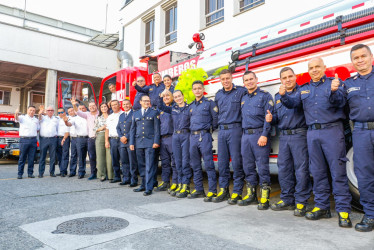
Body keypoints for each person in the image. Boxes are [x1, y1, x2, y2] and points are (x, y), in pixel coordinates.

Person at [281, 57, 352, 227]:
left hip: (332, 131)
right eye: (311, 67)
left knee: (337, 172)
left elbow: (341, 103)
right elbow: (292, 103)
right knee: (318, 172)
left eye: (317, 67)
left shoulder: (334, 83)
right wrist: (283, 96)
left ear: (324, 68)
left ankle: (343, 210)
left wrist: (335, 91)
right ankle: (322, 206)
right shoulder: (304, 89)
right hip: (312, 133)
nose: (314, 70)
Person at [265, 67, 311, 216]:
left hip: (299, 135)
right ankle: (287, 199)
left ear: (295, 77)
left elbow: (293, 104)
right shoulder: (278, 96)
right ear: (281, 80)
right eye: (284, 78)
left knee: (301, 170)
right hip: (284, 136)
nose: (287, 79)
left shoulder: (302, 93)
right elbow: (279, 117)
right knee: (284, 169)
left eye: (290, 76)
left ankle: (301, 202)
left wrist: (284, 96)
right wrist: (272, 119)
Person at [344, 44, 374, 232]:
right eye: (356, 58)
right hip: (361, 132)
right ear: (352, 62)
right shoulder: (348, 84)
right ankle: (370, 214)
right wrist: (332, 91)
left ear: (371, 57)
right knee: (364, 176)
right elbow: (337, 105)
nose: (360, 60)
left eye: (363, 56)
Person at [238, 71, 274, 210]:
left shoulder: (265, 96)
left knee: (262, 167)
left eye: (251, 79)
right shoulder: (243, 98)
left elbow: (269, 116)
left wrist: (265, 134)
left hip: (259, 134)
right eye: (246, 80)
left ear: (256, 79)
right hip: (245, 136)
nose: (249, 82)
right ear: (244, 83)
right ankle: (251, 195)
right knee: (248, 167)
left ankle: (264, 197)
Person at [213, 69, 247, 204]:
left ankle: (237, 192)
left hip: (235, 130)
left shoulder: (241, 91)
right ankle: (224, 190)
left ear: (232, 78)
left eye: (227, 78)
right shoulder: (218, 95)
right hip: (222, 131)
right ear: (220, 80)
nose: (225, 81)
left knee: (237, 163)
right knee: (222, 163)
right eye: (223, 79)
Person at [187, 80, 218, 202]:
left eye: (199, 88)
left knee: (209, 165)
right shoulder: (191, 106)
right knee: (195, 165)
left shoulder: (209, 103)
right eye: (195, 89)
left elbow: (215, 120)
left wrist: (207, 131)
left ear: (203, 89)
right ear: (193, 90)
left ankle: (212, 191)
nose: (197, 90)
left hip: (204, 136)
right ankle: (199, 189)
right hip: (193, 137)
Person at [158, 90, 192, 198]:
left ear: (183, 96)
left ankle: (186, 186)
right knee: (177, 162)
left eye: (179, 96)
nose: (178, 98)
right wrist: (161, 95)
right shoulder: (173, 109)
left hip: (186, 135)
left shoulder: (189, 108)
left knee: (185, 161)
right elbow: (160, 106)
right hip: (175, 136)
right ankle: (180, 184)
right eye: (176, 97)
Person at [130, 95, 160, 196]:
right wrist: (131, 143)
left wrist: (156, 141)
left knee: (149, 165)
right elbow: (133, 129)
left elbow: (157, 129)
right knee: (141, 165)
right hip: (139, 142)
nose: (147, 102)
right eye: (145, 101)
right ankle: (143, 185)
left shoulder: (154, 112)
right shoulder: (136, 113)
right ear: (140, 102)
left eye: (148, 101)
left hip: (150, 142)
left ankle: (149, 187)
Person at [71, 97, 99, 180]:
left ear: (96, 106)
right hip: (91, 138)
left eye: (93, 105)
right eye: (90, 106)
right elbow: (78, 112)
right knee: (92, 156)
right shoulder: (87, 115)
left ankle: (102, 172)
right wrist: (74, 105)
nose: (92, 107)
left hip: (100, 138)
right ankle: (93, 173)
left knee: (101, 156)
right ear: (88, 107)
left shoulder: (100, 114)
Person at [155, 90, 176, 192]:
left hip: (172, 137)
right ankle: (165, 182)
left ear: (172, 97)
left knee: (174, 162)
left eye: (168, 95)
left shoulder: (174, 107)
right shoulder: (160, 110)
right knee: (165, 162)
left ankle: (175, 182)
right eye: (164, 96)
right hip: (162, 139)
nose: (166, 97)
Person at [116, 100, 138, 187]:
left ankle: (133, 179)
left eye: (127, 104)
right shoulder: (121, 116)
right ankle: (126, 179)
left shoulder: (134, 114)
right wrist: (121, 136)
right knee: (124, 161)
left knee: (132, 162)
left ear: (131, 105)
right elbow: (118, 128)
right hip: (122, 142)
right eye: (124, 104)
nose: (125, 106)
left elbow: (134, 128)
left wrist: (126, 137)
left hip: (131, 141)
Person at [64, 105, 89, 179]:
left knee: (91, 156)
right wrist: (65, 121)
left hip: (89, 138)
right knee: (80, 156)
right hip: (79, 138)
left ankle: (94, 172)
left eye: (83, 108)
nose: (81, 110)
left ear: (85, 109)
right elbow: (69, 124)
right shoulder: (75, 118)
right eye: (79, 109)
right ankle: (80, 172)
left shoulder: (88, 116)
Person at [15, 106, 39, 179]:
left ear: (35, 112)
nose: (32, 111)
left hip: (33, 140)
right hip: (24, 140)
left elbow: (38, 129)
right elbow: (16, 119)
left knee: (32, 158)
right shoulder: (22, 117)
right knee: (22, 158)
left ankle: (30, 173)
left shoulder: (36, 120)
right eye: (30, 110)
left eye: (33, 110)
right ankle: (20, 174)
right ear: (27, 110)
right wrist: (16, 113)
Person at [93, 103, 114, 181]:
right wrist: (102, 128)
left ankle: (111, 175)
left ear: (108, 107)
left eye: (105, 106)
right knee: (100, 156)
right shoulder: (98, 118)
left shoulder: (112, 116)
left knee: (110, 157)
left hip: (110, 136)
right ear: (100, 109)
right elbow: (94, 129)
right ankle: (102, 175)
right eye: (102, 107)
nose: (104, 108)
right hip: (100, 136)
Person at [38, 105, 59, 178]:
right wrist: (40, 112)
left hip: (53, 139)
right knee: (42, 157)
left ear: (53, 111)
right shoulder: (43, 118)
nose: (50, 111)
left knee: (53, 157)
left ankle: (52, 172)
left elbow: (57, 128)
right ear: (46, 111)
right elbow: (39, 117)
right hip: (44, 139)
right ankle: (41, 173)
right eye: (48, 110)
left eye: (51, 110)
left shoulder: (56, 119)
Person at [105, 100, 123, 183]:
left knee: (124, 160)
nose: (114, 106)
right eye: (112, 105)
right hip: (112, 140)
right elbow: (107, 130)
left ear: (119, 105)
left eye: (116, 104)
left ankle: (127, 178)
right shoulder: (110, 117)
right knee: (114, 159)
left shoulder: (123, 114)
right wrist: (106, 141)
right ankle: (117, 176)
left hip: (122, 140)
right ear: (111, 107)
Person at [56, 108, 70, 177]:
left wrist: (64, 139)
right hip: (58, 138)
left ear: (65, 112)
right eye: (59, 113)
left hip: (65, 138)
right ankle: (61, 170)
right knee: (59, 156)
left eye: (62, 112)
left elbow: (68, 131)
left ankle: (63, 171)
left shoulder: (67, 119)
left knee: (65, 155)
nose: (60, 114)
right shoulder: (58, 119)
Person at [66, 107, 79, 177]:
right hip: (73, 138)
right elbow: (68, 124)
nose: (71, 112)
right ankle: (72, 171)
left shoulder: (79, 117)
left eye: (72, 110)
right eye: (69, 111)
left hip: (80, 138)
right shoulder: (68, 119)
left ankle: (81, 171)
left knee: (81, 155)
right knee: (73, 155)